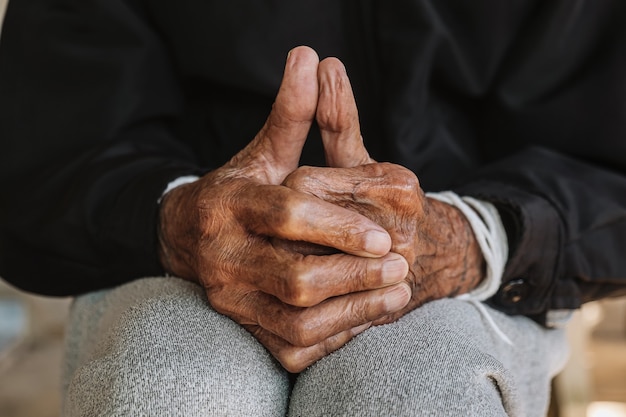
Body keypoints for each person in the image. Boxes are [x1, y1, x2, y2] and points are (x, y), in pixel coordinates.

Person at [1, 1, 625, 416]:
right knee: (170, 392)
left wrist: (467, 236)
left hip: (479, 261)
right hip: (166, 244)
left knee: (415, 396)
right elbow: (46, 146)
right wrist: (179, 219)